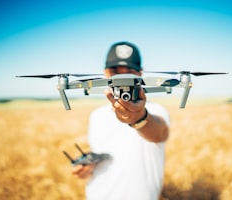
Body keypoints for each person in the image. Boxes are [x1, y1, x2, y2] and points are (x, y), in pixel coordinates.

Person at [72, 41, 170, 200]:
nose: (122, 79)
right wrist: (86, 168)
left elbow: (159, 133)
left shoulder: (157, 111)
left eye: (129, 72)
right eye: (115, 72)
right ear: (105, 73)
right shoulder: (96, 116)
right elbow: (105, 151)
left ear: (140, 73)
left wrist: (140, 118)